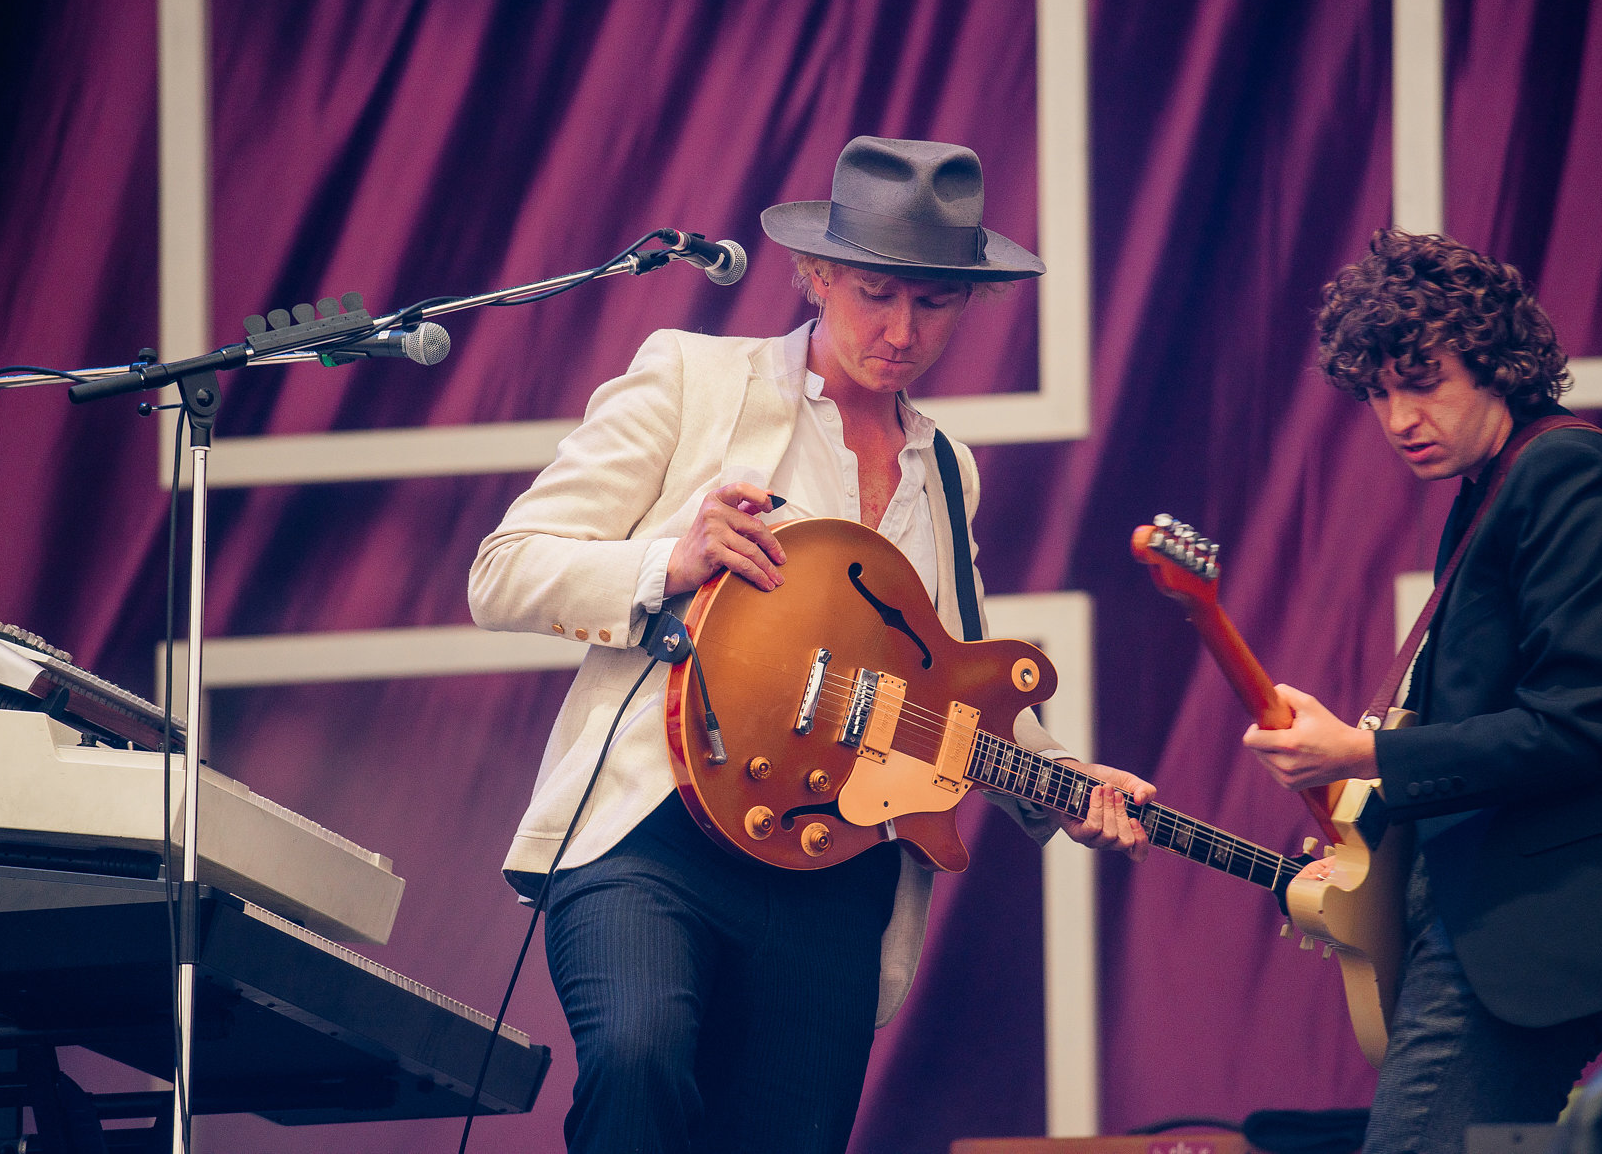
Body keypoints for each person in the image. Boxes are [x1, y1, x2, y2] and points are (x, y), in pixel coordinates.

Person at [469, 135, 1154, 1154]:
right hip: (655, 828)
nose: (901, 330)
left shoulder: (948, 467)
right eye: (876, 293)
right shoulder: (693, 378)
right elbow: (502, 569)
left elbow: (952, 683)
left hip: (836, 861)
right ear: (814, 273)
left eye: (934, 302)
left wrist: (1060, 778)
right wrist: (672, 559)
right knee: (638, 1054)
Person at [1241, 229, 1602, 1153]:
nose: (1399, 417)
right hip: (1495, 916)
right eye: (1378, 392)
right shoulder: (1497, 483)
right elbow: (1487, 729)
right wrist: (1371, 836)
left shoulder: (1567, 472)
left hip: (1531, 923)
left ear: (1496, 361)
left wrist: (1361, 752)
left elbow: (1573, 728)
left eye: (1423, 381)